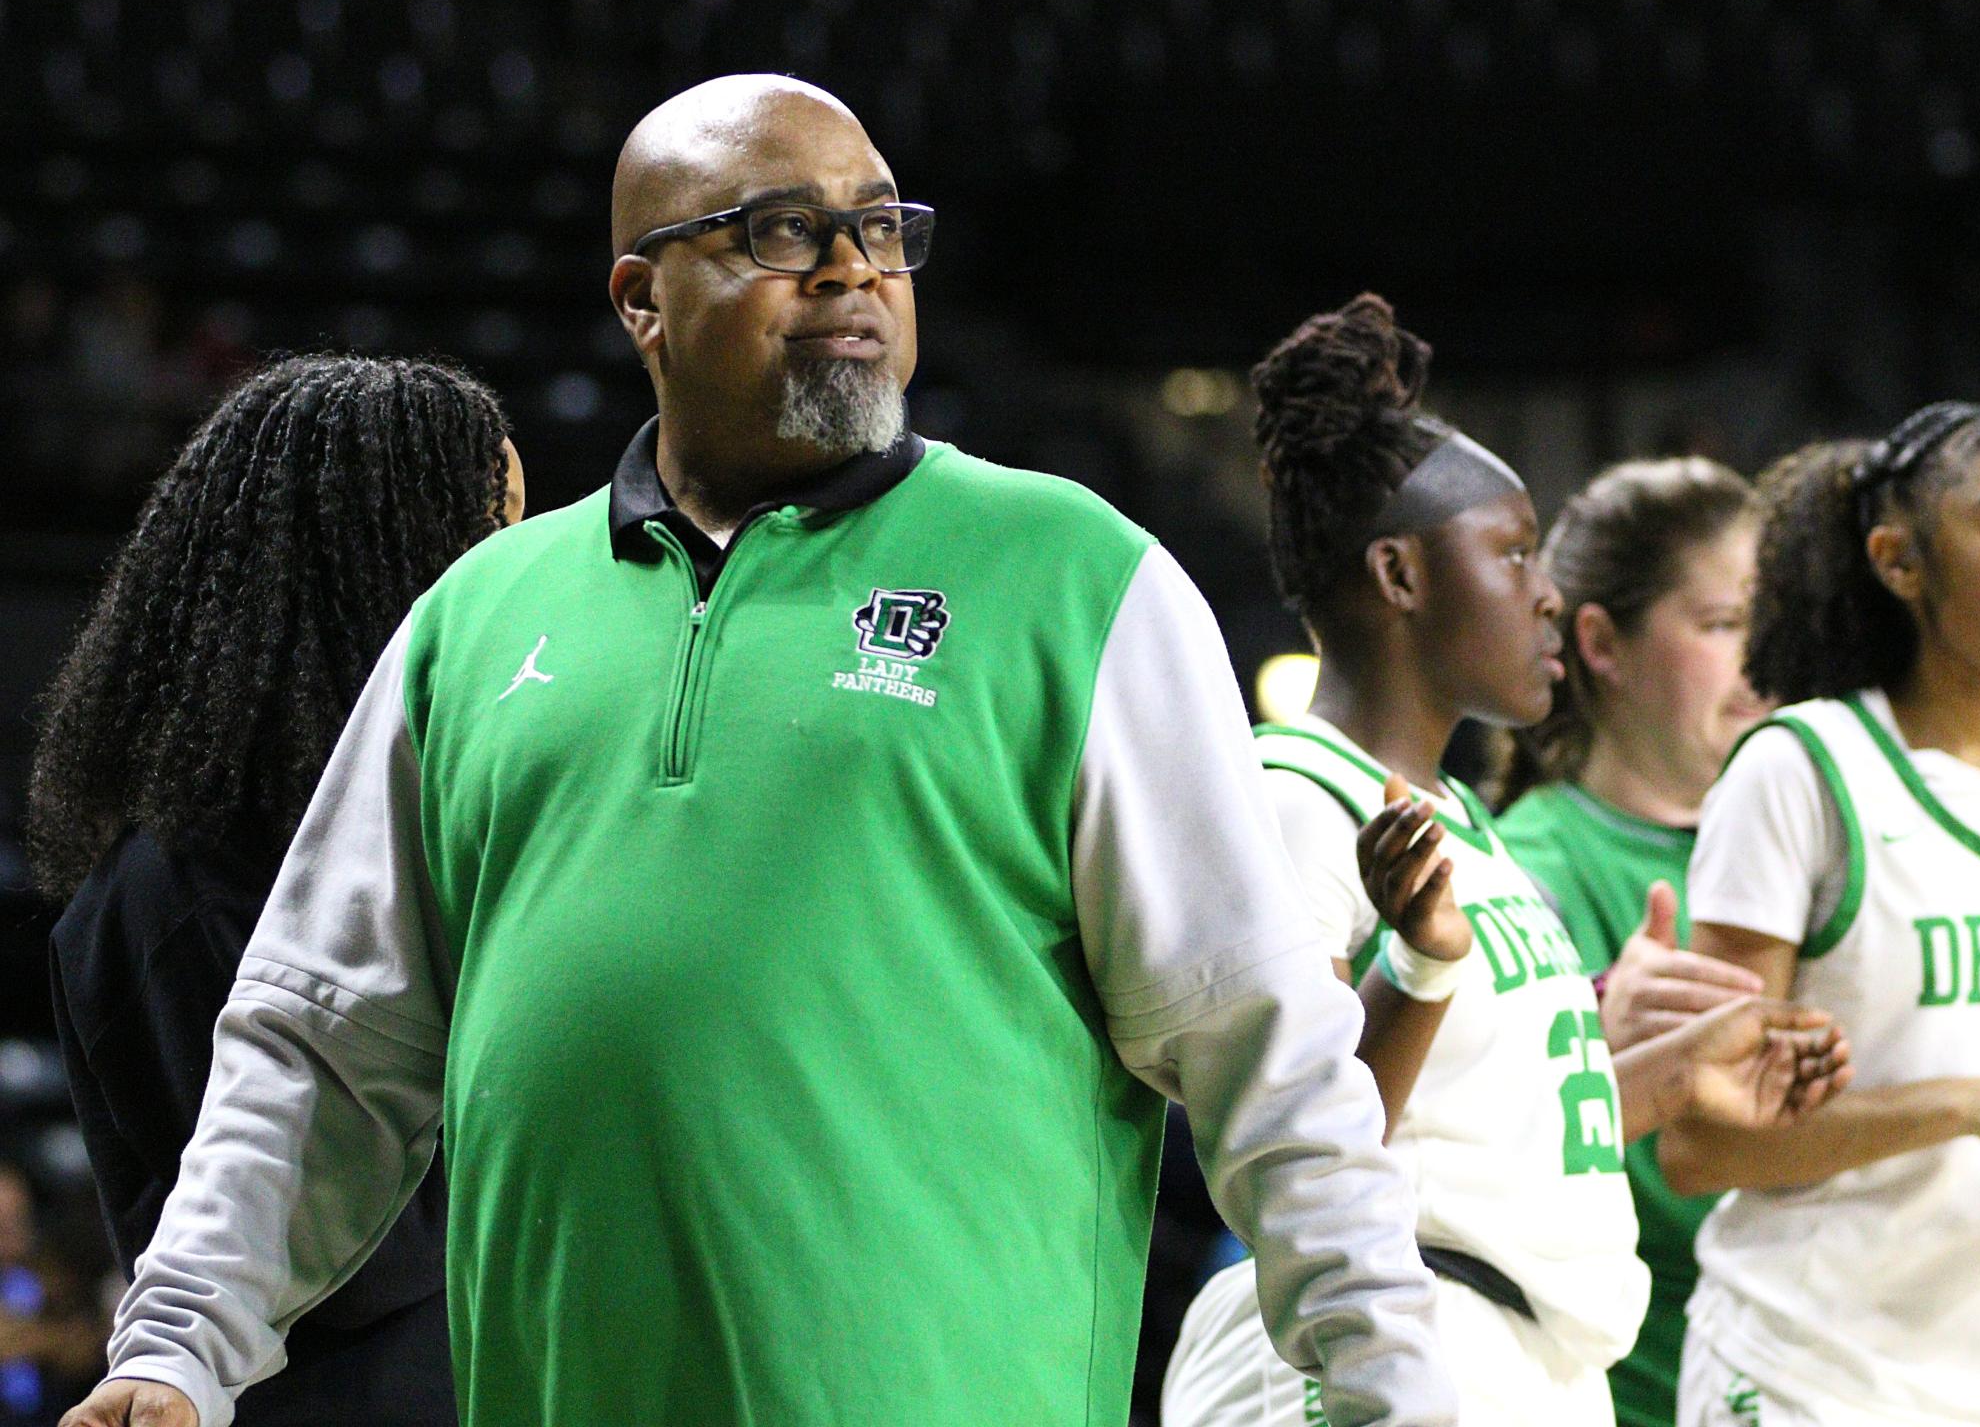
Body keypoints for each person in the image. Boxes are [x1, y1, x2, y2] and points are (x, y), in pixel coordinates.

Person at [60, 78, 1453, 1427]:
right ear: (639, 299)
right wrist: (182, 1342)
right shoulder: (475, 618)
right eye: (782, 230)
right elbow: (321, 1042)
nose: (852, 268)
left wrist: (1392, 1395)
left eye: (881, 228)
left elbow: (1268, 1050)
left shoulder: (1080, 578)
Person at [1161, 296, 1849, 1427]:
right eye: (1514, 553)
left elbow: (1482, 1143)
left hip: (1509, 1353)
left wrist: (1680, 1073)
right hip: (1376, 1347)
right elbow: (1304, 1155)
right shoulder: (1292, 801)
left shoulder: (1459, 824)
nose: (1546, 594)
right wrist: (1421, 970)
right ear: (1399, 574)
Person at [32, 355, 523, 1427]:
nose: (517, 590)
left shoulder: (426, 849)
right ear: (385, 564)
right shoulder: (174, 893)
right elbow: (346, 1261)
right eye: (489, 540)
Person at [1662, 403, 1980, 1427]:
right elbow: (1700, 1144)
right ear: (1900, 561)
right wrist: (1966, 1104)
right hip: (1811, 1369)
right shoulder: (1805, 767)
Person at [1496, 458, 1771, 1427]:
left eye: (1773, 619)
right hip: (1631, 1395)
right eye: (1725, 622)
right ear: (1602, 642)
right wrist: (1584, 1045)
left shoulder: (1823, 839)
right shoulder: (1516, 870)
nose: (1765, 658)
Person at [0, 1164, 107, 1426]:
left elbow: (85, 1346)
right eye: (3, 1223)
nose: (16, 1233)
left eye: (19, 1219)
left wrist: (39, 1339)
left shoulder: (46, 1273)